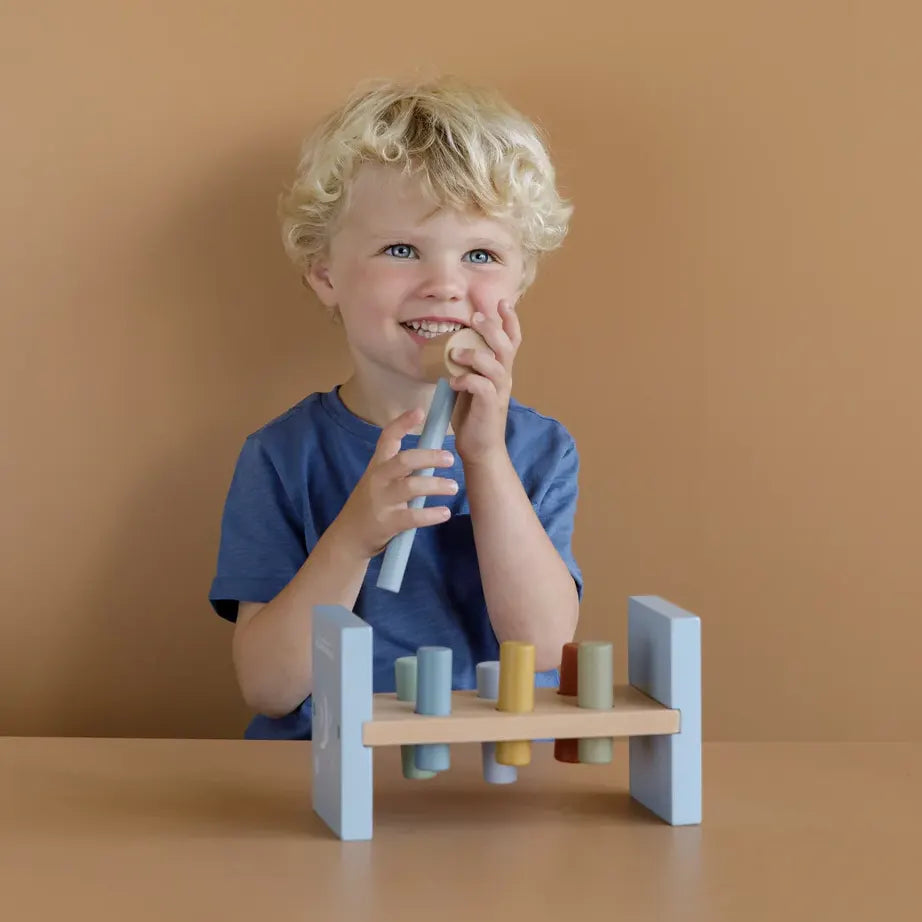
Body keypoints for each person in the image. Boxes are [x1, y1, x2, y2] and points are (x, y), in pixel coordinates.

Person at [208, 74, 583, 740]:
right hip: (316, 775)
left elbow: (546, 652)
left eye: (481, 254)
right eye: (402, 250)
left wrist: (486, 458)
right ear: (326, 275)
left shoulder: (540, 451)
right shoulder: (281, 457)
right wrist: (353, 536)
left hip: (476, 780)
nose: (445, 285)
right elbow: (269, 688)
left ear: (519, 280)